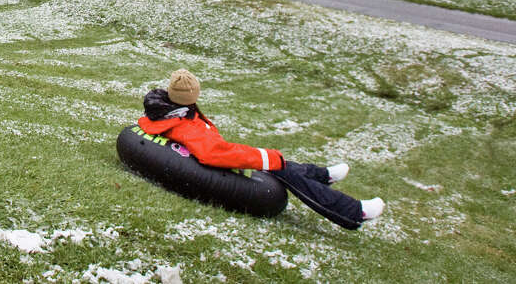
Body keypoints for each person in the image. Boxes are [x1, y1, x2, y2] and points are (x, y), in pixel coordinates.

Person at [139, 69, 384, 229]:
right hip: (217, 165)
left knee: (284, 166)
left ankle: (322, 175)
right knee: (284, 170)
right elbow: (213, 153)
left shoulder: (170, 111)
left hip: (215, 153)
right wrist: (264, 158)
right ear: (190, 97)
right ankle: (354, 211)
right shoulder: (184, 124)